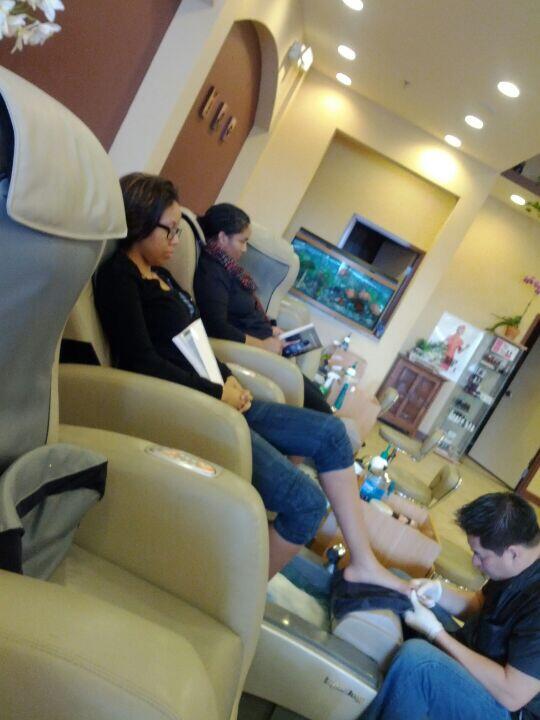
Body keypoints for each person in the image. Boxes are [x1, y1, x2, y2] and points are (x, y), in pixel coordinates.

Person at [95, 172, 407, 593]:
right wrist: (216, 393)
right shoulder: (120, 278)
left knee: (331, 433)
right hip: (194, 409)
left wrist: (230, 383)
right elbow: (140, 361)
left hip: (220, 397)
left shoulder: (162, 275)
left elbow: (198, 344)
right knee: (307, 504)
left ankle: (363, 561)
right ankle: (229, 599)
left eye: (177, 230)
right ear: (139, 222)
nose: (175, 240)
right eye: (169, 230)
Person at [361, 492, 540, 720]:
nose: (475, 562)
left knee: (418, 662)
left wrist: (437, 633)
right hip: (481, 655)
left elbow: (512, 694)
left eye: (480, 555)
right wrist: (438, 592)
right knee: (402, 587)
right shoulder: (516, 563)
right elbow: (479, 605)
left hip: (506, 707)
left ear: (513, 553)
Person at [193, 203, 332, 415]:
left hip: (266, 342)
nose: (245, 249)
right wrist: (263, 345)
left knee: (319, 399)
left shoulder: (229, 267)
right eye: (242, 241)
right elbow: (216, 326)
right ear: (222, 237)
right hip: (254, 351)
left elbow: (247, 310)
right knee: (321, 409)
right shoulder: (212, 272)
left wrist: (272, 329)